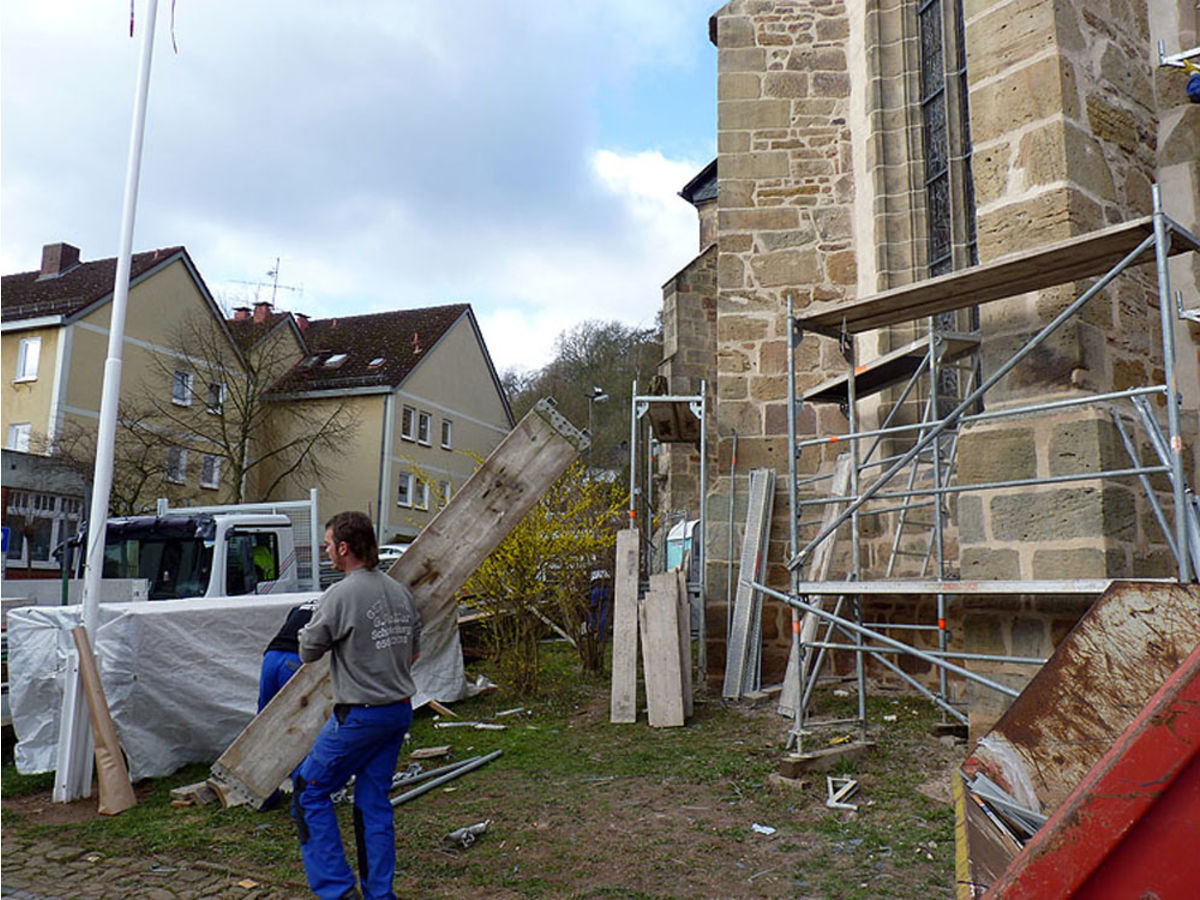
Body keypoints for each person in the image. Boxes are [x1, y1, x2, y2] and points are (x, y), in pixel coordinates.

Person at [292, 511, 422, 900]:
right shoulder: (400, 592)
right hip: (398, 709)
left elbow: (307, 651)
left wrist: (307, 623)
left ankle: (336, 889)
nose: (327, 550)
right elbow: (413, 654)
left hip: (360, 715)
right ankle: (379, 895)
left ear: (345, 549)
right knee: (373, 802)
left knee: (308, 790)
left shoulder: (340, 594)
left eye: (329, 544)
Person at [258, 599, 317, 712]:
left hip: (272, 656)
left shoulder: (302, 606)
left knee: (264, 709)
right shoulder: (331, 609)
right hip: (294, 657)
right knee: (292, 711)